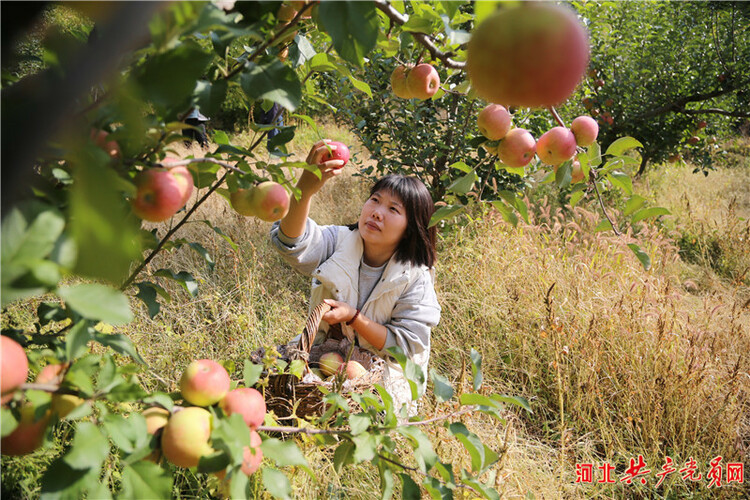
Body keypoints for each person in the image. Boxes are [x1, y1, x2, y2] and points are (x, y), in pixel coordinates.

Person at [270, 140, 441, 416]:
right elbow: (292, 242)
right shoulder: (340, 241)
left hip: (384, 373)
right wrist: (305, 187)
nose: (376, 212)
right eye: (375, 200)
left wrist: (354, 318)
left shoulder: (415, 277)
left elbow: (405, 344)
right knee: (278, 379)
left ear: (411, 229)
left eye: (393, 210)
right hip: (326, 355)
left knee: (368, 414)